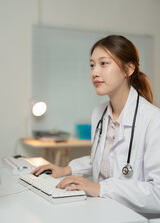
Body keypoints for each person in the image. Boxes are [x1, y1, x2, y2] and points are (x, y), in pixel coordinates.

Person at [32, 35, 160, 215]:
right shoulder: (98, 114)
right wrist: (65, 170)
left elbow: (158, 194)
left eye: (104, 63)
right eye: (92, 65)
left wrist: (100, 188)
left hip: (133, 217)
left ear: (129, 69)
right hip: (102, 211)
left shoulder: (153, 121)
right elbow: (100, 160)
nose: (94, 72)